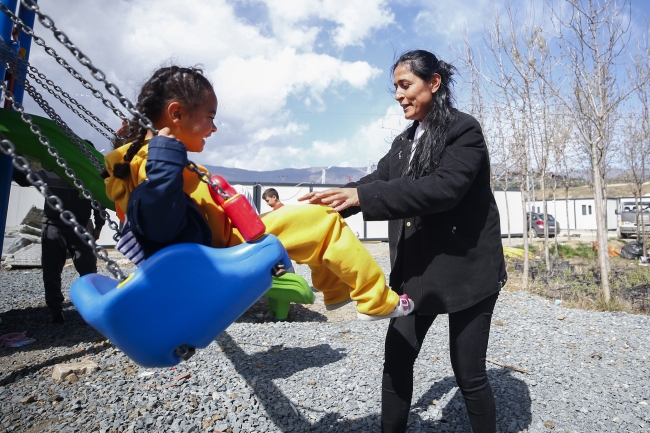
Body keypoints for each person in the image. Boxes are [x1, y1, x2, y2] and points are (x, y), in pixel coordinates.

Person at [102, 65, 414, 321]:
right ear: (176, 113)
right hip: (221, 254)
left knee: (314, 219)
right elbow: (158, 222)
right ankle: (375, 300)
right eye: (209, 116)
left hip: (222, 242)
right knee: (325, 221)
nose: (214, 128)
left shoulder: (143, 158)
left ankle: (336, 291)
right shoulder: (153, 161)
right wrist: (167, 160)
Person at [300, 50, 507, 432]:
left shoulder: (464, 131)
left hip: (468, 272)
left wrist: (364, 198)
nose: (398, 94)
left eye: (405, 84)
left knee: (468, 373)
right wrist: (323, 208)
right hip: (416, 272)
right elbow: (375, 183)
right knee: (397, 360)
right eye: (395, 87)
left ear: (433, 83)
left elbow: (444, 188)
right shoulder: (403, 142)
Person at [13, 162, 105, 324]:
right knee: (51, 270)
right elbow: (24, 179)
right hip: (54, 226)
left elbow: (99, 204)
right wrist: (11, 159)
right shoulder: (52, 172)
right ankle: (55, 311)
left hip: (80, 227)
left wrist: (98, 226)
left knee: (88, 269)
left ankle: (92, 308)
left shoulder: (90, 177)